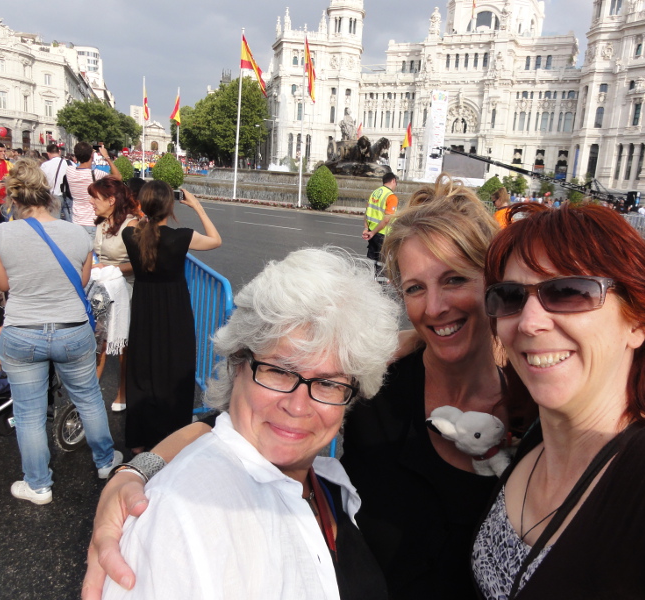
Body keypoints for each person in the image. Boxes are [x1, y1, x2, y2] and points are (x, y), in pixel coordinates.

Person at [82, 175, 529, 600]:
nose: (434, 307)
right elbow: (251, 418)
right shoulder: (382, 371)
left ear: (492, 280)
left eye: (454, 279)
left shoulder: (533, 401)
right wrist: (136, 473)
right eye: (414, 288)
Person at [471, 202, 645, 598]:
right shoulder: (535, 436)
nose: (529, 321)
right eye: (510, 296)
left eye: (569, 291)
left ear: (638, 321)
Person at [98, 248, 399, 600]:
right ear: (236, 364)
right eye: (278, 371)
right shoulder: (181, 519)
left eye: (329, 383)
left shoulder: (325, 481)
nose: (298, 406)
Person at [0, 159, 121, 506]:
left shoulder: (0, 234)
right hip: (71, 329)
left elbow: (2, 284)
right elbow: (82, 282)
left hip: (22, 330)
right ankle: (106, 462)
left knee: (29, 412)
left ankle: (38, 485)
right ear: (50, 196)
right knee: (88, 397)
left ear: (13, 198)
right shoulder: (78, 234)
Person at [121, 182, 221, 455]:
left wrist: (142, 211)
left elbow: (136, 222)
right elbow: (215, 240)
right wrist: (198, 206)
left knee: (143, 371)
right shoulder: (182, 237)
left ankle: (138, 440)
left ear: (142, 206)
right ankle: (172, 439)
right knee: (175, 370)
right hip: (175, 310)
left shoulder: (131, 235)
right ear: (170, 206)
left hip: (143, 309)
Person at [89, 177, 140, 412]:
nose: (91, 202)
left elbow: (140, 264)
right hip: (102, 288)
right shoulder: (101, 222)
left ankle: (123, 392)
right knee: (99, 339)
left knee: (121, 345)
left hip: (125, 290)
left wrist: (111, 269)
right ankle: (89, 393)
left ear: (111, 200)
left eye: (95, 197)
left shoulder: (132, 225)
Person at [66, 142, 122, 239]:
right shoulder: (97, 174)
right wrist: (107, 157)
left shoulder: (69, 171)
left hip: (76, 221)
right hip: (92, 221)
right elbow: (118, 177)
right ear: (92, 155)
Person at [362, 172, 398, 277]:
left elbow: (367, 212)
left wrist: (366, 229)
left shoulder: (374, 193)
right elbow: (387, 219)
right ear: (393, 181)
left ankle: (370, 286)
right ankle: (382, 291)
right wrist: (373, 232)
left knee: (372, 264)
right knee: (383, 266)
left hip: (372, 234)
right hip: (383, 234)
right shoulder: (391, 197)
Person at [40, 143, 71, 220]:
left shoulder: (45, 165)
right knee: (70, 220)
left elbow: (41, 181)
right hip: (68, 195)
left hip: (53, 195)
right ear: (59, 152)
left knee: (55, 221)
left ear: (48, 153)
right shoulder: (68, 163)